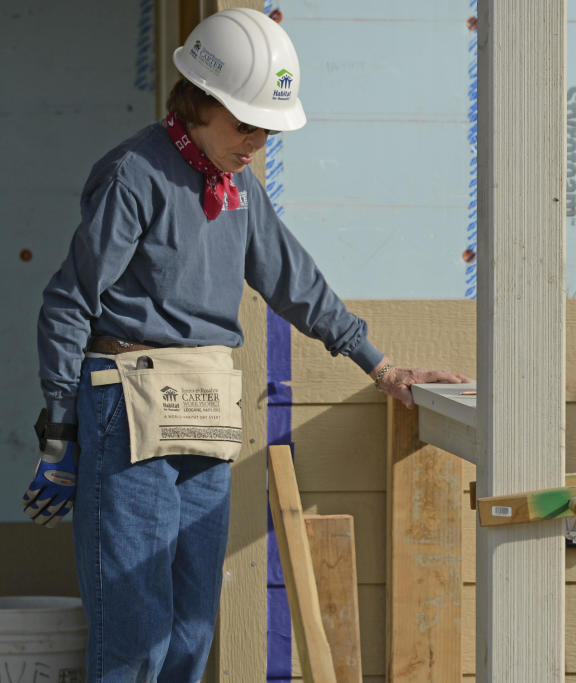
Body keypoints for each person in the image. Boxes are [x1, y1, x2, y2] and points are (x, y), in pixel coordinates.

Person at [21, 8, 468, 682]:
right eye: (245, 123)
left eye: (266, 127)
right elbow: (69, 300)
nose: (257, 140)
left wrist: (380, 364)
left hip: (201, 409)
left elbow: (298, 284)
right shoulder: (133, 175)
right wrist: (60, 427)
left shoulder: (237, 191)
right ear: (199, 102)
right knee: (134, 626)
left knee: (193, 621)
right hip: (127, 406)